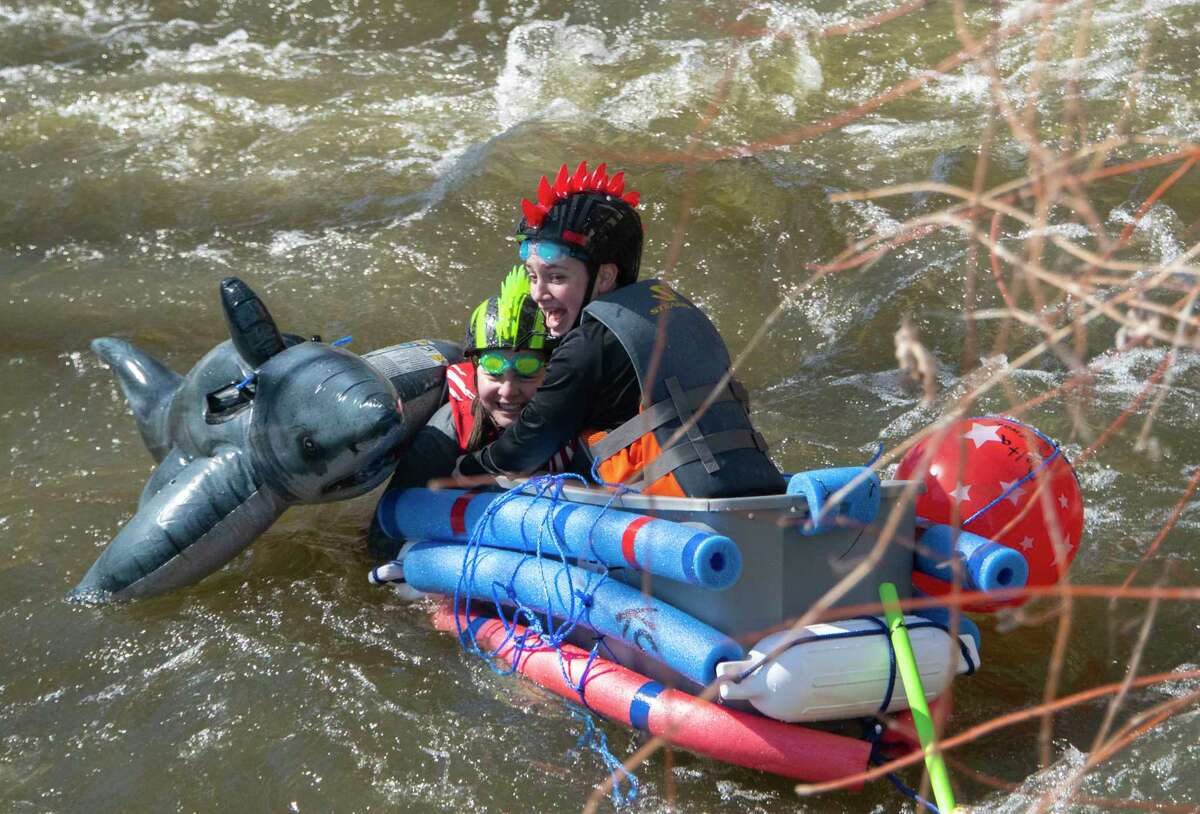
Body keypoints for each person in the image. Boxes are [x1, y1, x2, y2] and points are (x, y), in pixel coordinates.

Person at [454, 161, 784, 498]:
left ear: (606, 276)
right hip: (760, 487)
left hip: (686, 511)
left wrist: (462, 468)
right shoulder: (676, 309)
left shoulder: (588, 345)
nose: (538, 293)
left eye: (557, 277)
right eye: (533, 276)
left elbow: (525, 449)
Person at [367, 268, 575, 558]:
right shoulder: (446, 432)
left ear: (553, 372)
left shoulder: (578, 415)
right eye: (494, 372)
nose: (507, 391)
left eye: (527, 371)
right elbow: (382, 537)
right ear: (475, 372)